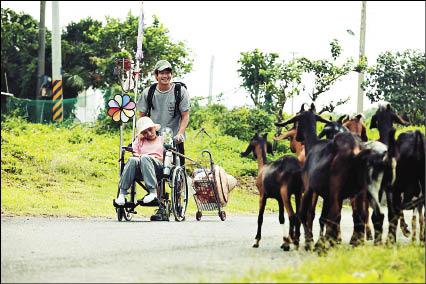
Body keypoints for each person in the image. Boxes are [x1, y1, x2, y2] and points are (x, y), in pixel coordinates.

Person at [136, 59, 190, 166]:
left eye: (168, 72)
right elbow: (142, 116)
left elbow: (185, 115)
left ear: (171, 74)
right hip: (153, 137)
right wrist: (142, 133)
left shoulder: (180, 91)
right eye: (162, 73)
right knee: (155, 167)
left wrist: (180, 133)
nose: (165, 76)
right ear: (156, 76)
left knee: (178, 167)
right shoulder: (148, 92)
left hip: (174, 138)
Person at [114, 116, 167, 221]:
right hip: (142, 167)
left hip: (158, 167)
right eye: (145, 132)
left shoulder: (162, 139)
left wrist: (150, 157)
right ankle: (122, 194)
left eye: (150, 130)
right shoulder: (140, 140)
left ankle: (152, 192)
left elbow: (168, 156)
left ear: (154, 128)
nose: (149, 133)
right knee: (133, 160)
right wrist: (138, 139)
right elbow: (135, 153)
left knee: (145, 157)